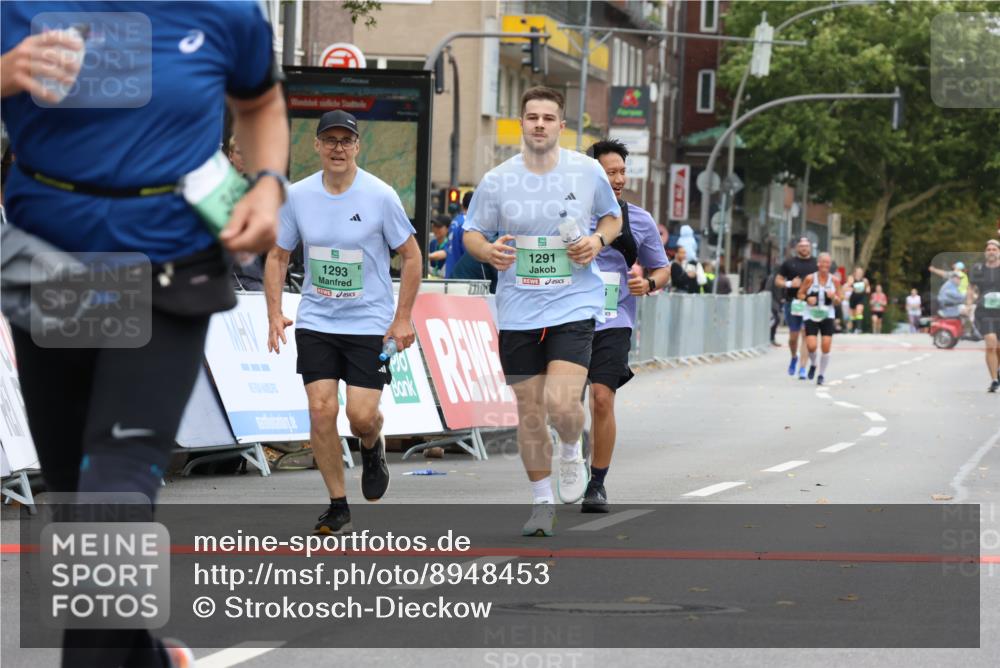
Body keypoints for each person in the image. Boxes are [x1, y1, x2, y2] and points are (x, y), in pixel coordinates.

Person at [1, 3, 287, 667]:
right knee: (83, 505)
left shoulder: (225, 12)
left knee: (113, 494)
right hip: (55, 274)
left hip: (168, 271)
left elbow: (262, 103)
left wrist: (268, 186)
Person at [462, 86, 621, 536]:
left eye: (548, 118)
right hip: (517, 309)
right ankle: (541, 504)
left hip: (573, 303)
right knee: (530, 411)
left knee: (560, 402)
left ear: (561, 126)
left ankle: (572, 446)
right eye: (531, 117)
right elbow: (472, 232)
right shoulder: (498, 179)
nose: (538, 124)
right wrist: (488, 250)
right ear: (521, 122)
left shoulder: (587, 171)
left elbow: (612, 219)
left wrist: (597, 240)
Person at [265, 110, 422, 533]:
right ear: (316, 146)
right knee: (320, 411)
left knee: (360, 416)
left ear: (357, 146)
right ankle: (337, 503)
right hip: (317, 319)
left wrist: (402, 317)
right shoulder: (296, 196)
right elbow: (278, 256)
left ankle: (373, 445)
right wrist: (274, 312)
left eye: (345, 140)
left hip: (369, 324)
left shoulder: (380, 195)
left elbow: (411, 255)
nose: (337, 148)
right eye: (329, 140)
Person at [583, 138, 668, 512]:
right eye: (609, 172)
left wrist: (648, 284)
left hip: (614, 318)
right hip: (568, 316)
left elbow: (662, 269)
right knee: (562, 406)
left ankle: (596, 483)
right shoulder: (565, 214)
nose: (618, 179)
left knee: (602, 398)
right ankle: (572, 456)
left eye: (621, 171)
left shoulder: (639, 220)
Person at [775, 237, 818, 378]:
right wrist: (789, 284)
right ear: (797, 248)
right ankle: (794, 357)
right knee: (793, 337)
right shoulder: (789, 263)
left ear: (810, 248)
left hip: (809, 303)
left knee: (806, 334)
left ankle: (802, 368)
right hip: (793, 303)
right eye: (801, 246)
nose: (804, 248)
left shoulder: (815, 264)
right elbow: (778, 280)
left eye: (806, 246)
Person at [797, 253, 842, 386]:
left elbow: (840, 299)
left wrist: (834, 297)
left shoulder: (834, 280)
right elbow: (799, 293)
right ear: (818, 263)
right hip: (811, 314)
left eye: (827, 263)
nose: (825, 265)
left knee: (826, 345)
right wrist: (807, 298)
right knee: (811, 345)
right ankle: (813, 364)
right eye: (823, 262)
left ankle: (821, 374)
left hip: (827, 315)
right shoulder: (810, 279)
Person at [966, 239, 1000, 392]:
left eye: (994, 249)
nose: (991, 251)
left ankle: (997, 371)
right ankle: (994, 380)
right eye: (989, 249)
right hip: (984, 311)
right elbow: (970, 288)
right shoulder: (978, 269)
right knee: (991, 343)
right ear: (986, 252)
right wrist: (968, 304)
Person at [444, 190, 472, 278]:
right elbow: (470, 252)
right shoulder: (468, 224)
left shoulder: (456, 221)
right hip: (461, 277)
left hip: (450, 273)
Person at [847, 267, 871, 333]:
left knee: (859, 310)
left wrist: (867, 289)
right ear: (855, 272)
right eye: (858, 272)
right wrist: (851, 285)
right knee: (853, 315)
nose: (859, 273)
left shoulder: (865, 280)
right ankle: (852, 328)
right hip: (853, 298)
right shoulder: (851, 279)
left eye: (860, 272)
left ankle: (859, 328)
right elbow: (848, 286)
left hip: (861, 298)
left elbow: (868, 289)